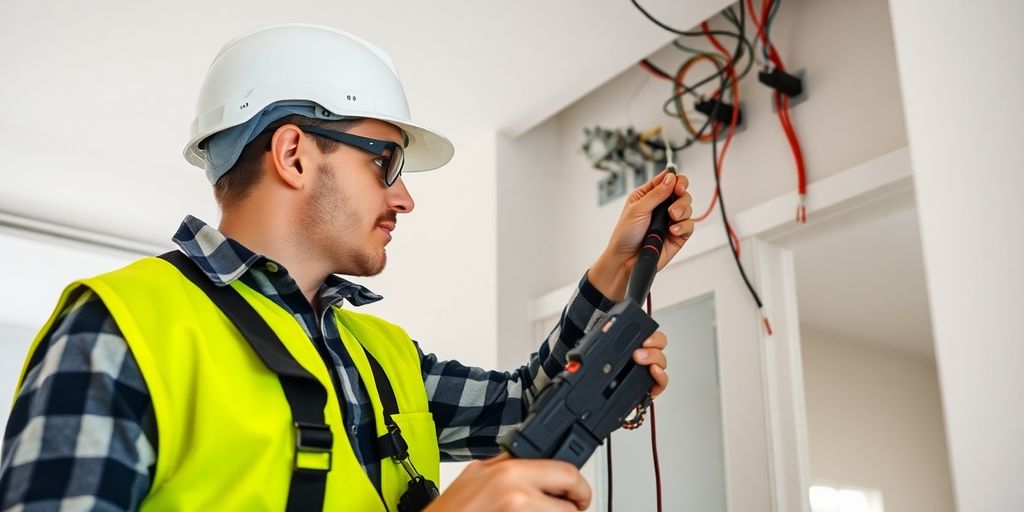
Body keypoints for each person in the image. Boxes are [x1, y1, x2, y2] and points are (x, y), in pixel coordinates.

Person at [0, 24, 694, 511]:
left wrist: (616, 272)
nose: (405, 195)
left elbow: (524, 407)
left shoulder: (379, 354)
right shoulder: (120, 333)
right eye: (383, 163)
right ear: (294, 154)